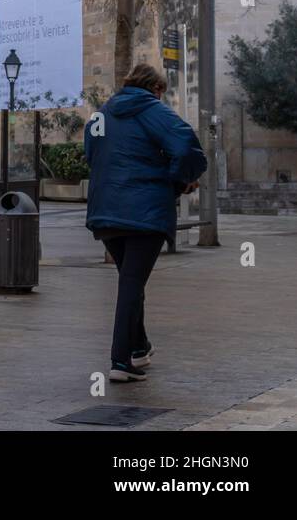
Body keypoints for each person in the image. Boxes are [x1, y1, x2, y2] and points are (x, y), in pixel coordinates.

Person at [85, 63, 207, 383]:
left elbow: (92, 153)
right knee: (131, 283)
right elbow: (186, 145)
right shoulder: (153, 109)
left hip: (105, 212)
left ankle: (139, 348)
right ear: (156, 88)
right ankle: (120, 360)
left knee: (131, 280)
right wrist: (179, 181)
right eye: (161, 91)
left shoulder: (101, 114)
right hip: (144, 211)